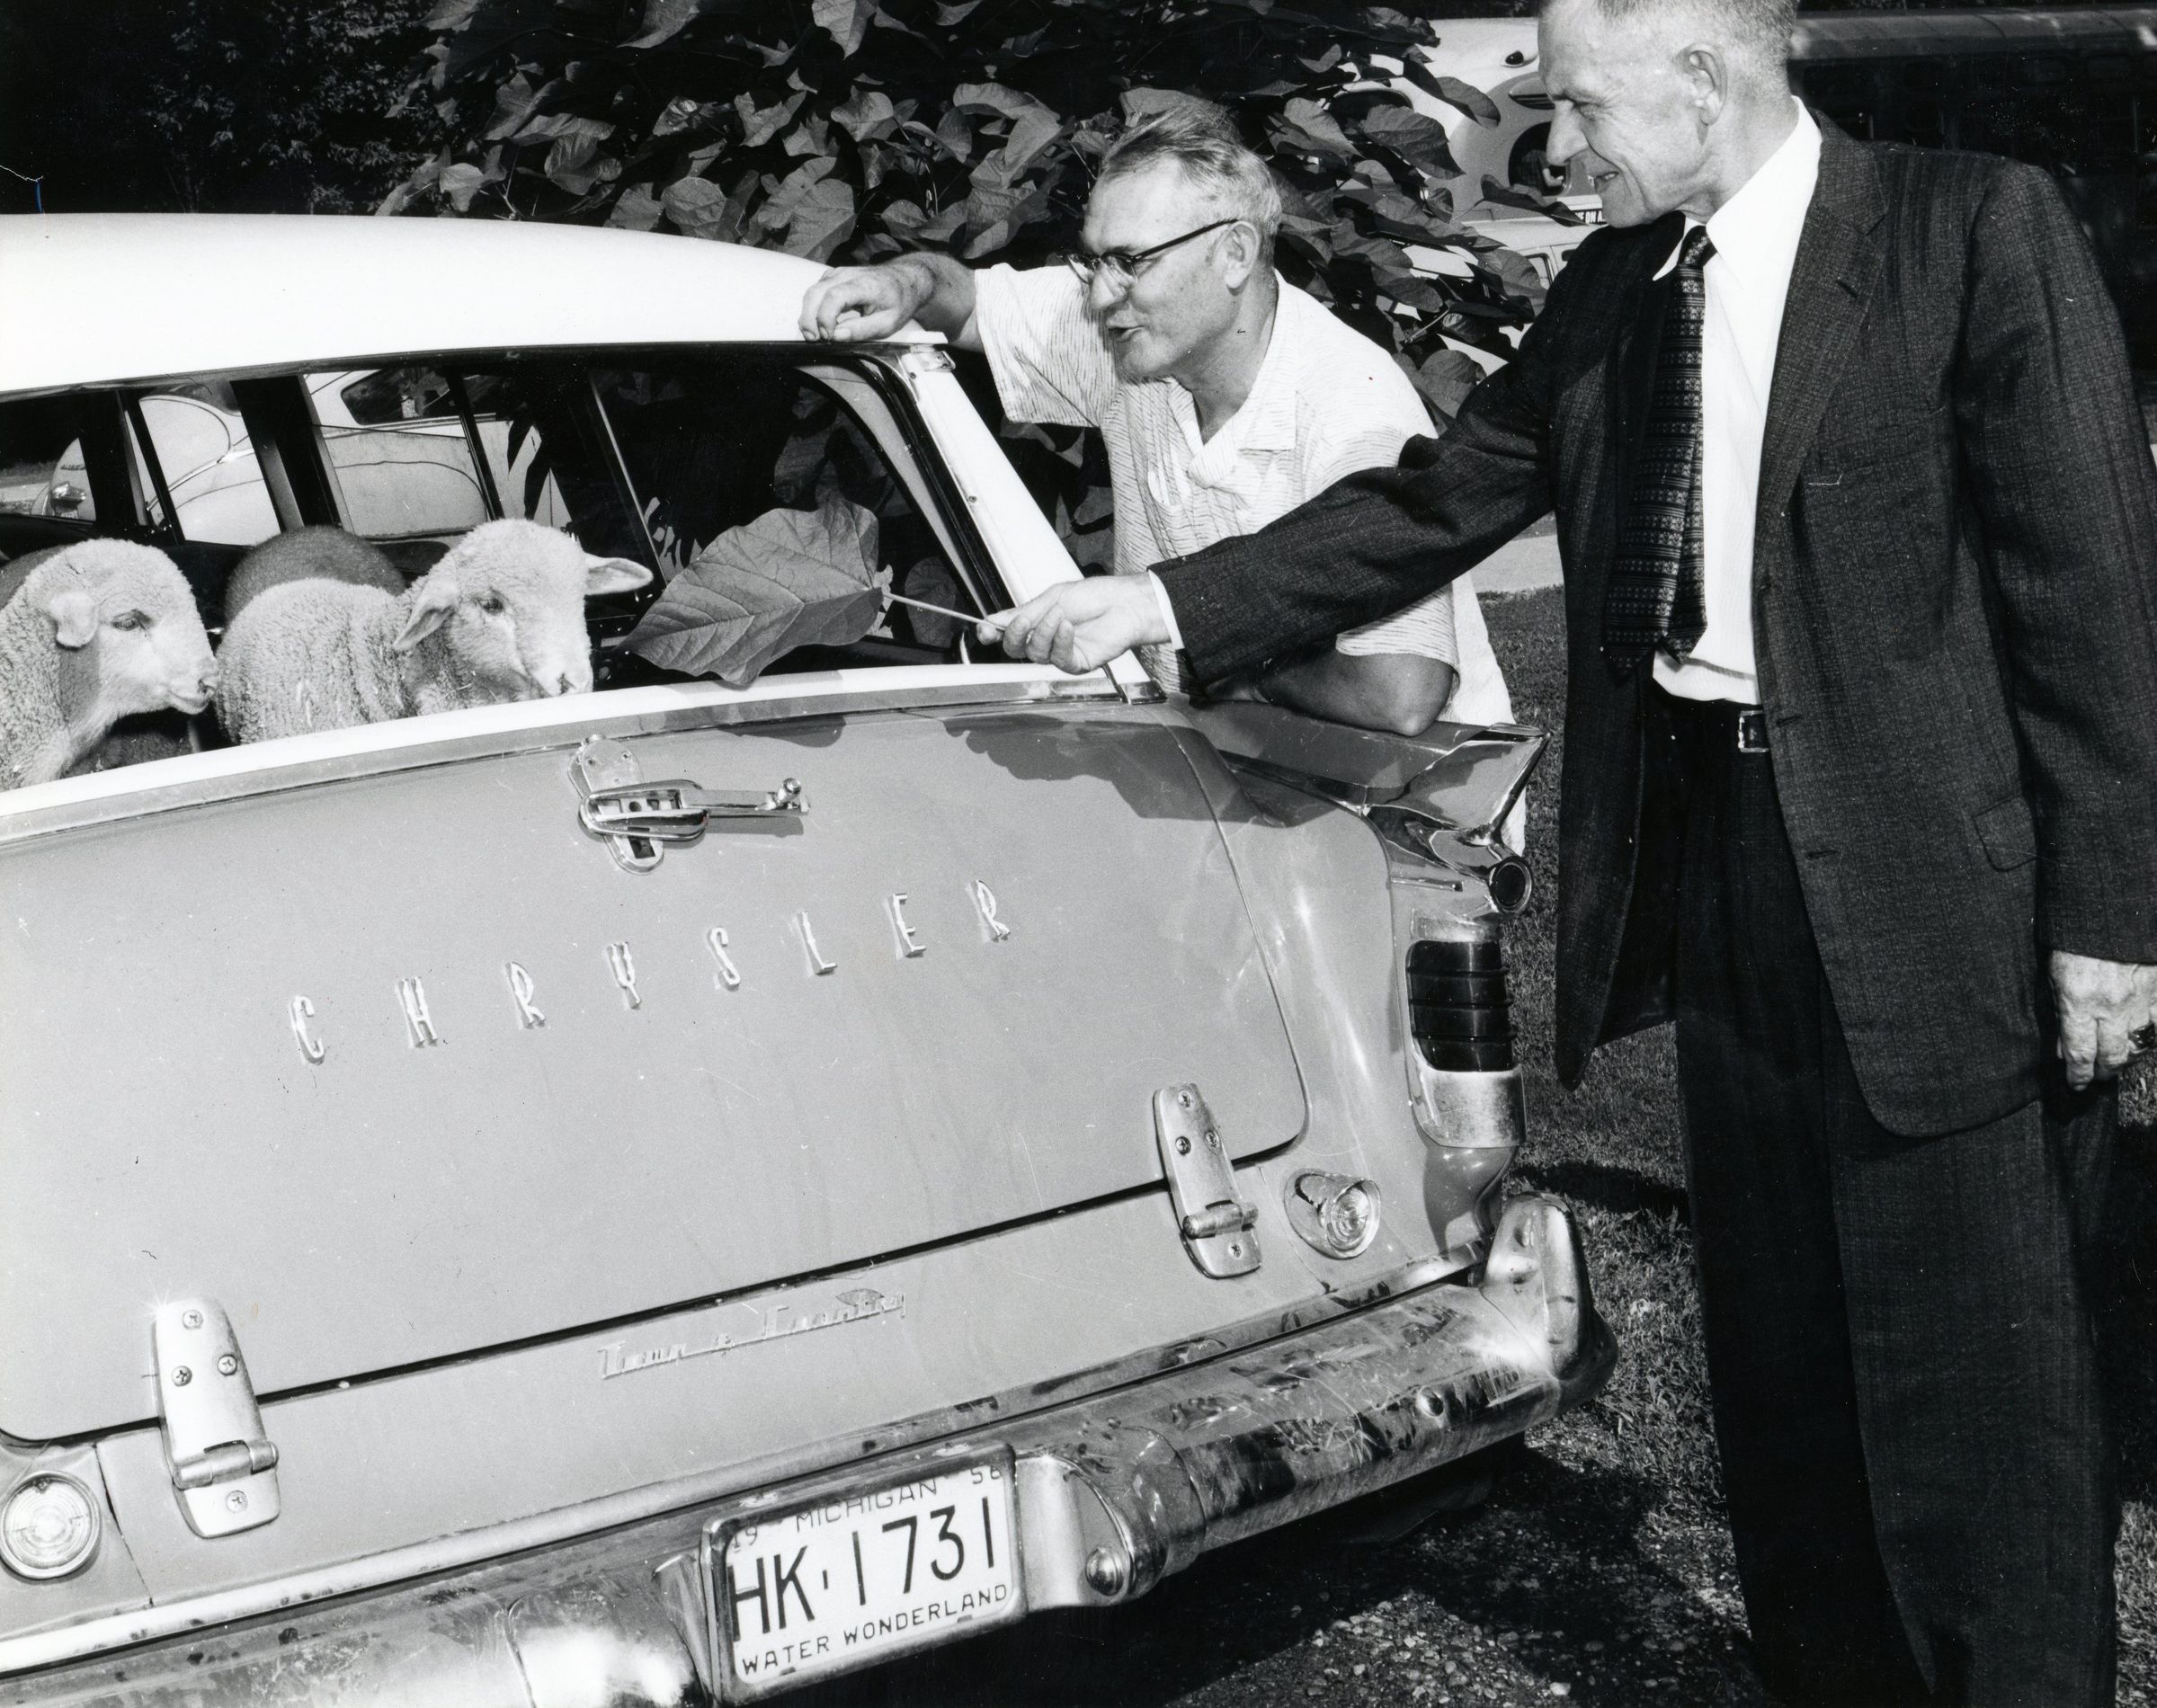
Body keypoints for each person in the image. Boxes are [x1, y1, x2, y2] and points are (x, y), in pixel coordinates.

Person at [982, 0, 2157, 1701]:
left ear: (1703, 78)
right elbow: (1434, 499)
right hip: (1718, 864)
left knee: (1976, 1384)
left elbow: (2088, 587)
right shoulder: (1617, 283)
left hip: (1933, 883)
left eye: (1581, 103)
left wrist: (2110, 915)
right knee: (1783, 1372)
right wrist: (1168, 600)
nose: (1554, 142)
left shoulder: (1964, 231)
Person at [798, 98, 1511, 741]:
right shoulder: (1134, 337)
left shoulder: (1350, 412)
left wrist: (1217, 661)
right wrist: (906, 280)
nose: (1099, 297)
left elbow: (1398, 695)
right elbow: (968, 303)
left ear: (1233, 254)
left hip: (1410, 793)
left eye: (1129, 261)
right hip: (1236, 756)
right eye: (1093, 262)